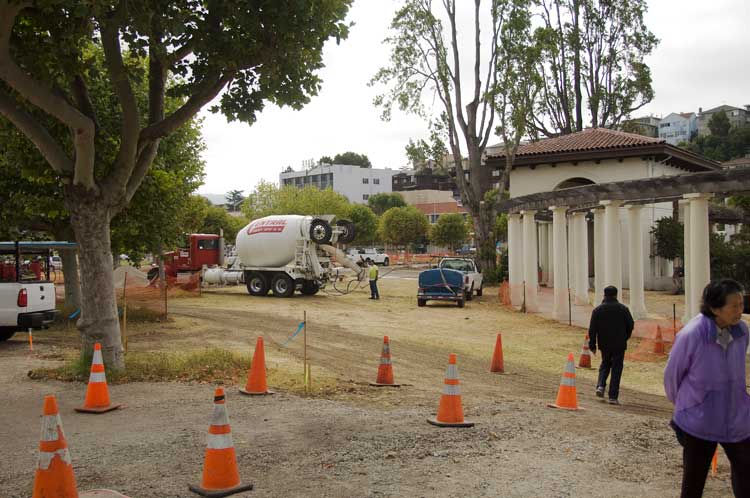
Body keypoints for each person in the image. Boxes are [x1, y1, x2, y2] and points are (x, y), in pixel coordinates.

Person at [664, 279, 750, 498]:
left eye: (742, 304)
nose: (740, 310)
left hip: (737, 417)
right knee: (693, 482)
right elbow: (672, 375)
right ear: (714, 308)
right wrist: (687, 405)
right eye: (734, 305)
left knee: (746, 473)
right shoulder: (692, 334)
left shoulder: (742, 331)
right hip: (699, 419)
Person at [588, 285, 634, 405]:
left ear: (604, 295)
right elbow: (631, 325)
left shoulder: (597, 310)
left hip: (604, 344)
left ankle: (601, 385)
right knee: (617, 368)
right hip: (619, 344)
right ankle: (613, 396)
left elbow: (592, 329)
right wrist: (625, 337)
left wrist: (592, 344)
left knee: (605, 364)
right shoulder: (623, 309)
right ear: (616, 295)